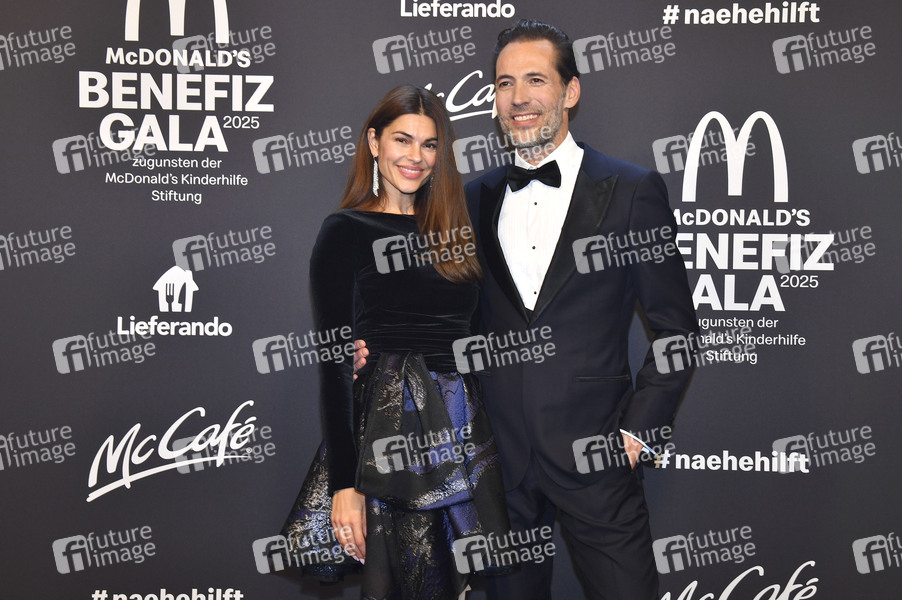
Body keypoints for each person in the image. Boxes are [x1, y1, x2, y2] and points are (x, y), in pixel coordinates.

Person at [355, 20, 699, 600]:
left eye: (535, 80)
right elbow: (443, 315)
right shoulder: (471, 199)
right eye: (504, 83)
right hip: (498, 464)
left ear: (570, 91)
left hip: (598, 458)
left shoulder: (631, 190)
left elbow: (676, 331)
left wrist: (637, 434)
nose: (518, 98)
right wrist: (375, 349)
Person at [281, 84, 510, 600]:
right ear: (374, 142)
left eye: (429, 144)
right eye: (402, 140)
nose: (416, 157)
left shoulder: (459, 231)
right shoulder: (345, 230)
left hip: (460, 426)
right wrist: (345, 485)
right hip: (389, 432)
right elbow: (335, 367)